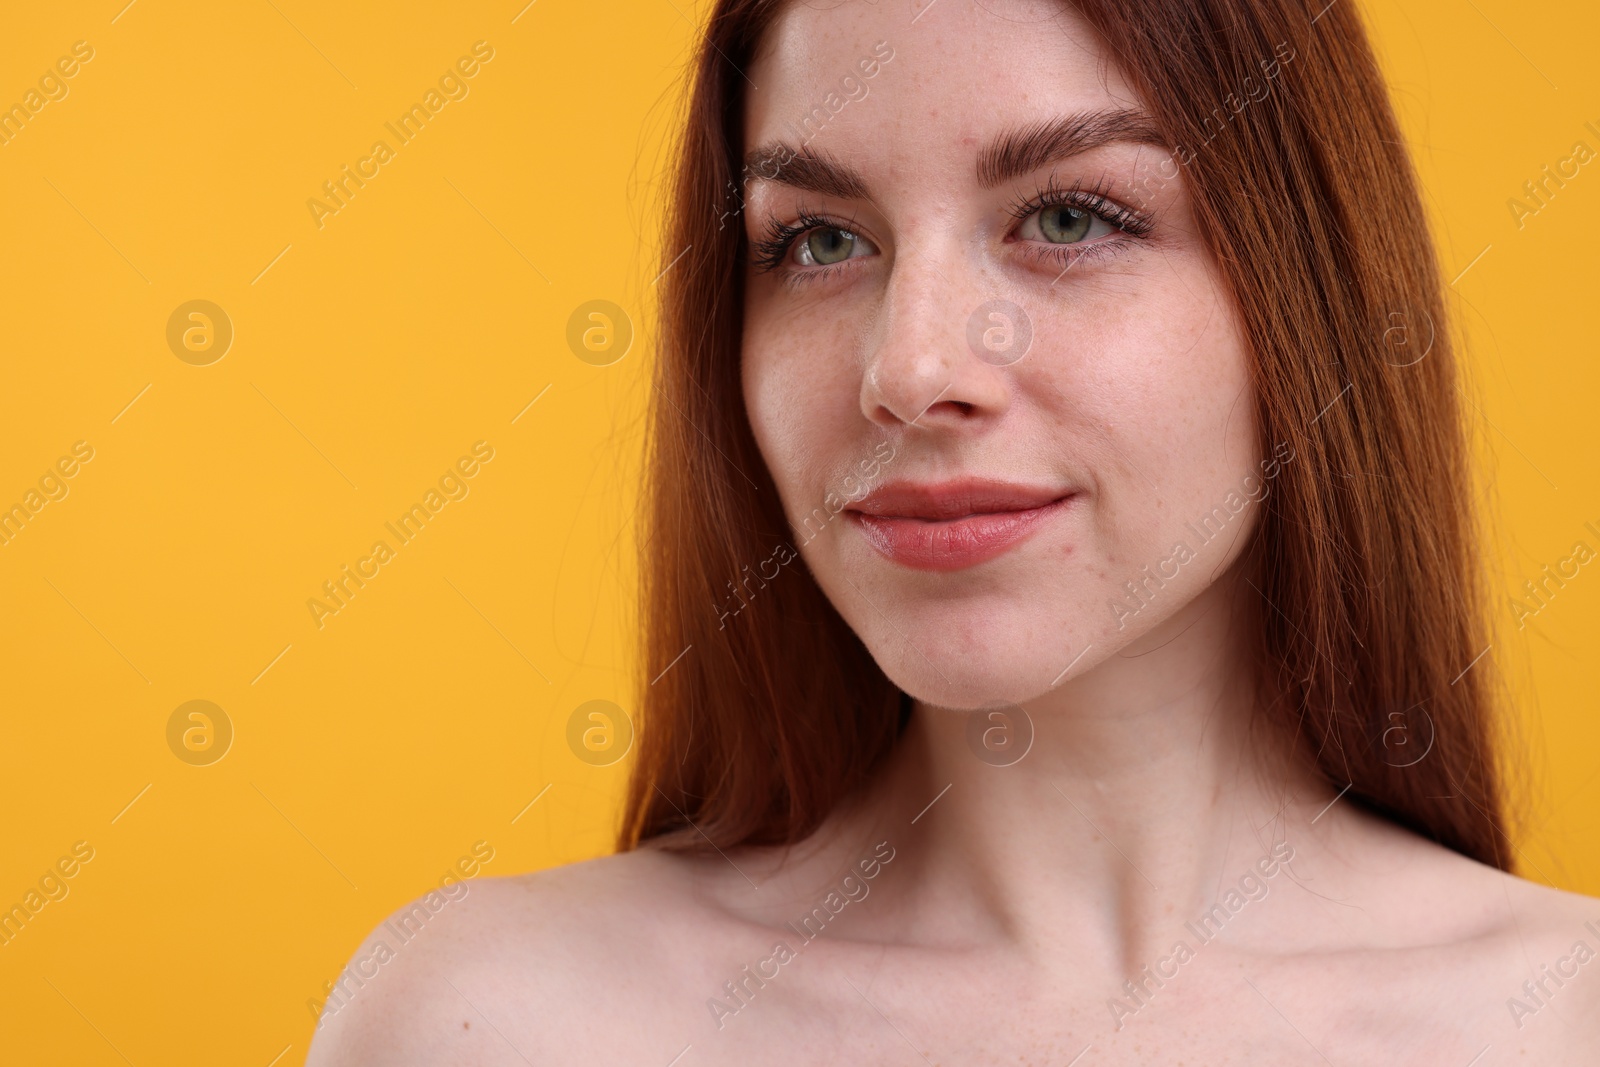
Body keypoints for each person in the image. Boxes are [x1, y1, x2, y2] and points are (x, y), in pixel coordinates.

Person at [306, 1, 1600, 1062]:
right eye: (819, 239)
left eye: (1070, 218)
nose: (913, 367)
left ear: (1305, 284)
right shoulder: (498, 1024)